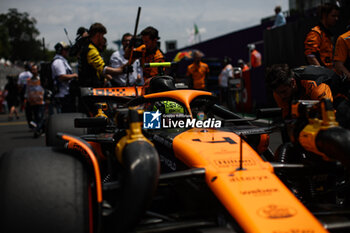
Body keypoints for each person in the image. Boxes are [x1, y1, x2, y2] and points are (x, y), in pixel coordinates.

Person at [265, 64, 334, 118]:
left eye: (284, 92)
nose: (281, 96)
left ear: (292, 83)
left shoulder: (315, 86)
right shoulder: (279, 91)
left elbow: (328, 113)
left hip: (338, 94)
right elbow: (287, 117)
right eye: (278, 93)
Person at [78, 22, 131, 88]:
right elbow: (103, 69)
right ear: (98, 35)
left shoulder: (87, 46)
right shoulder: (91, 49)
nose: (103, 38)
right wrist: (122, 70)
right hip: (89, 89)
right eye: (102, 36)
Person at [304, 3, 340, 69]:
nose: (336, 19)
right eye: (333, 16)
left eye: (337, 16)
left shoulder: (327, 34)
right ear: (324, 15)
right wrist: (322, 73)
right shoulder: (315, 33)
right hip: (322, 76)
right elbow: (310, 56)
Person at [51, 41, 78, 113]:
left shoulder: (62, 61)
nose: (67, 51)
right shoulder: (58, 62)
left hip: (65, 94)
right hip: (62, 95)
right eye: (65, 50)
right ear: (60, 50)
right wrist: (74, 75)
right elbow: (61, 77)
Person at [25, 65, 45, 137]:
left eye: (35, 69)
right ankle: (40, 129)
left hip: (40, 101)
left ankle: (37, 130)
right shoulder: (29, 80)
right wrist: (26, 98)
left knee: (40, 116)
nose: (33, 71)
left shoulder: (41, 79)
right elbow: (28, 90)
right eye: (32, 70)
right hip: (32, 102)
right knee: (36, 117)